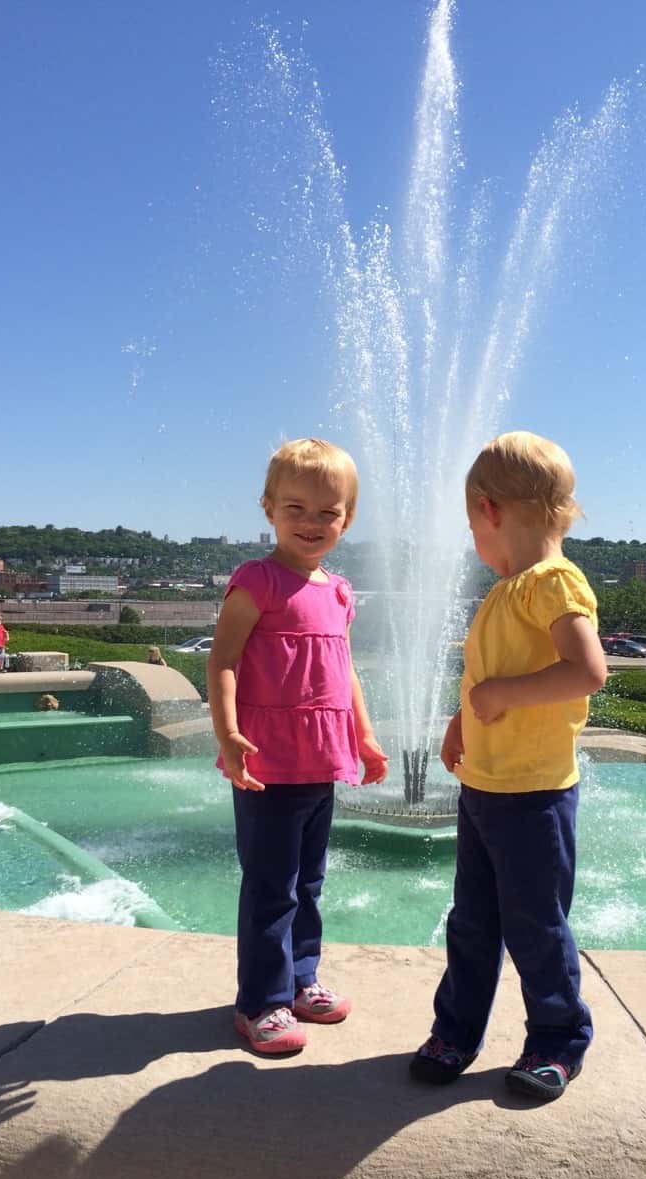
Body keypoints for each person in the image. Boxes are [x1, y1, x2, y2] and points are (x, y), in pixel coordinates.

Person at [410, 431, 607, 1103]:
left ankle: (557, 1040)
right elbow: (491, 672)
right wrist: (464, 717)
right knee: (472, 921)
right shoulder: (507, 591)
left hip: (534, 796)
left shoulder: (551, 582)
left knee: (536, 925)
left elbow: (586, 671)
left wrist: (497, 697)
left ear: (489, 510)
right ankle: (457, 1031)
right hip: (485, 789)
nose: (474, 542)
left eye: (472, 526)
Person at [207, 438, 388, 1056]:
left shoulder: (337, 591)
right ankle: (260, 1001)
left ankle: (301, 976)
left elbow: (344, 669)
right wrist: (228, 733)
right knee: (270, 885)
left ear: (348, 518)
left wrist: (363, 736)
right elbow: (224, 660)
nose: (311, 523)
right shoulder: (256, 581)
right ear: (267, 509)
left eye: (327, 512)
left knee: (308, 881)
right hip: (269, 761)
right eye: (295, 508)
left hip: (320, 761)